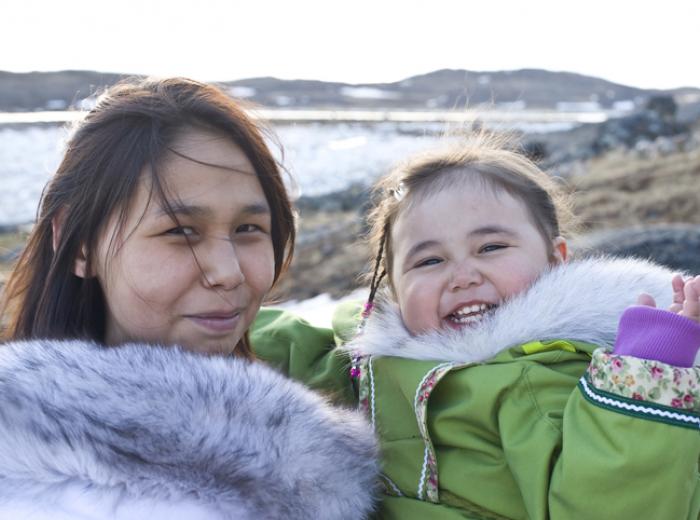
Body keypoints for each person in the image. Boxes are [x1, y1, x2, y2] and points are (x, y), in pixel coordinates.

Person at [0, 77, 378, 519]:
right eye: (180, 232)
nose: (229, 272)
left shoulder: (346, 379)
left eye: (248, 229)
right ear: (79, 242)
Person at [326, 132, 700, 519]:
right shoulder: (359, 358)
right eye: (429, 261)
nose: (463, 277)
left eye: (491, 248)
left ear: (556, 260)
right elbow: (279, 347)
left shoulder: (552, 377)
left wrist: (641, 388)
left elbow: (615, 507)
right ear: (394, 289)